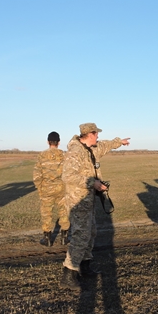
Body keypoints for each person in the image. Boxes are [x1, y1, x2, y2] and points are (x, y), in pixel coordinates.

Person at [60, 123, 130, 290]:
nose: (98, 136)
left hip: (88, 201)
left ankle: (85, 266)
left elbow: (105, 145)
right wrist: (93, 182)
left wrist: (119, 142)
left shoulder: (91, 149)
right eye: (96, 134)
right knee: (80, 235)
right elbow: (67, 175)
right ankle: (68, 274)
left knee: (90, 233)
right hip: (78, 201)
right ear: (89, 134)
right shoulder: (76, 152)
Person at [33, 131, 69, 247]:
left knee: (46, 213)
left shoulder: (42, 155)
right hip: (62, 188)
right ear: (59, 142)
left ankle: (47, 238)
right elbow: (69, 173)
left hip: (46, 189)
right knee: (64, 212)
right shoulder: (64, 155)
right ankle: (64, 237)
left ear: (48, 142)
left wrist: (40, 188)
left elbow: (37, 175)